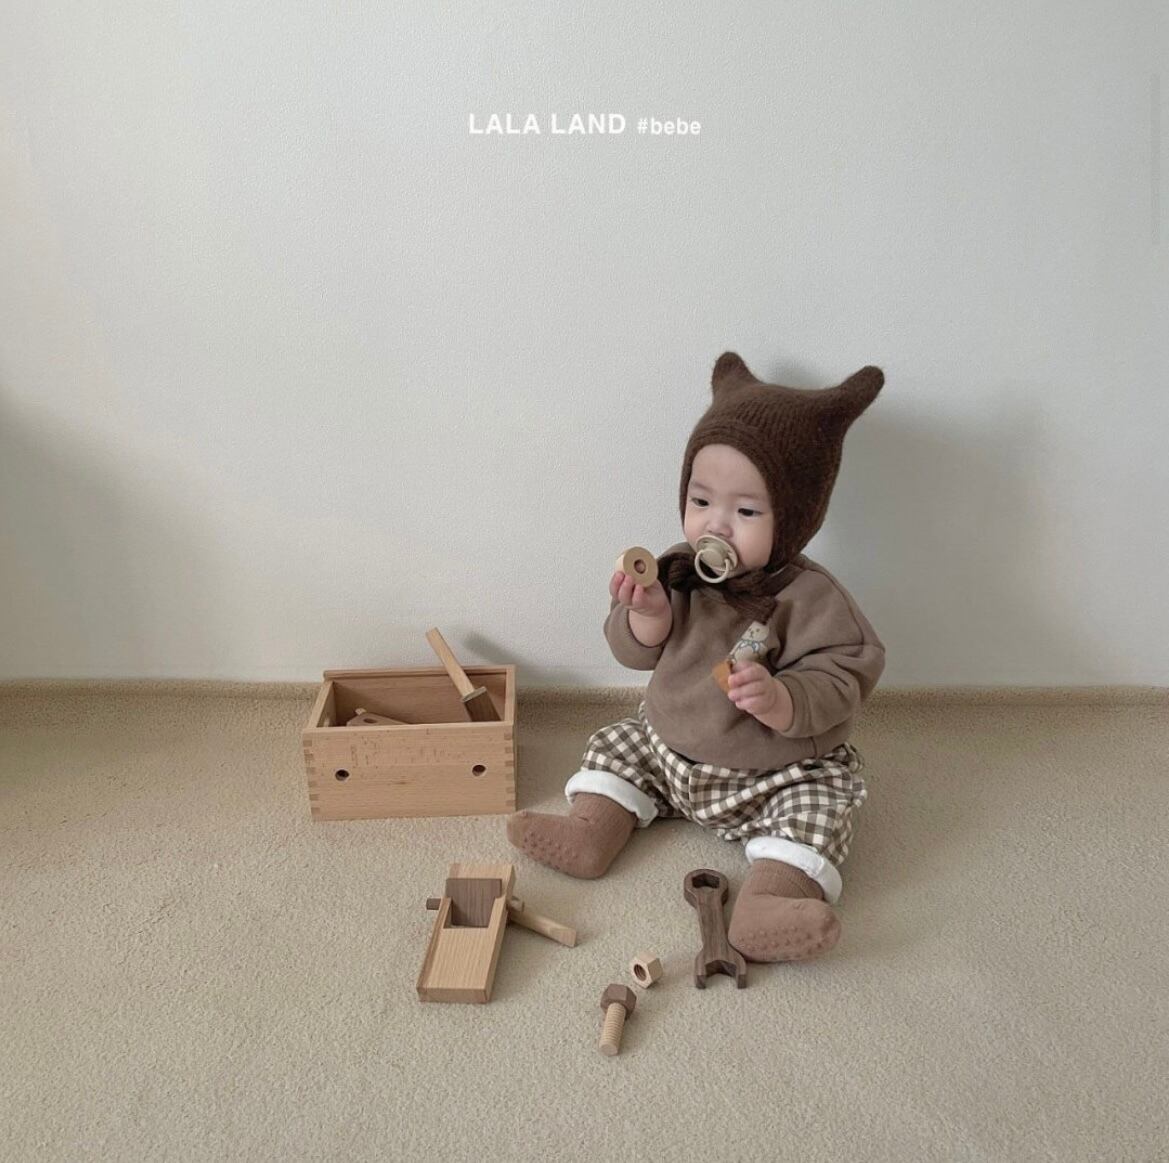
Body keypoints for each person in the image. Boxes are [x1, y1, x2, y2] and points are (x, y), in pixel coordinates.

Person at [506, 351, 886, 962]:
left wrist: (785, 698)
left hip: (771, 772)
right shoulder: (679, 569)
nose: (717, 526)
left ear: (796, 517)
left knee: (820, 806)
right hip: (669, 750)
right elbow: (632, 652)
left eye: (746, 511)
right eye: (701, 500)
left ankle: (771, 898)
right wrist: (648, 615)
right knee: (617, 746)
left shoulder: (811, 598)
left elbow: (846, 671)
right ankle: (592, 830)